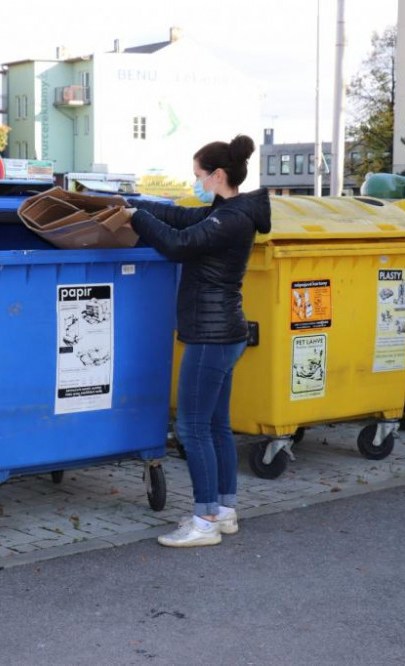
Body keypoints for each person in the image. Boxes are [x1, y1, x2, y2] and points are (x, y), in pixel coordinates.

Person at [126, 134, 271, 547]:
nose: (197, 182)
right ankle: (223, 511)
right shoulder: (226, 212)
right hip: (223, 333)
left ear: (218, 174)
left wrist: (136, 218)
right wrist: (131, 204)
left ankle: (204, 521)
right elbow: (181, 218)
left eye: (198, 175)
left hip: (212, 335)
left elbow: (179, 243)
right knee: (216, 425)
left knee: (192, 428)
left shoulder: (232, 219)